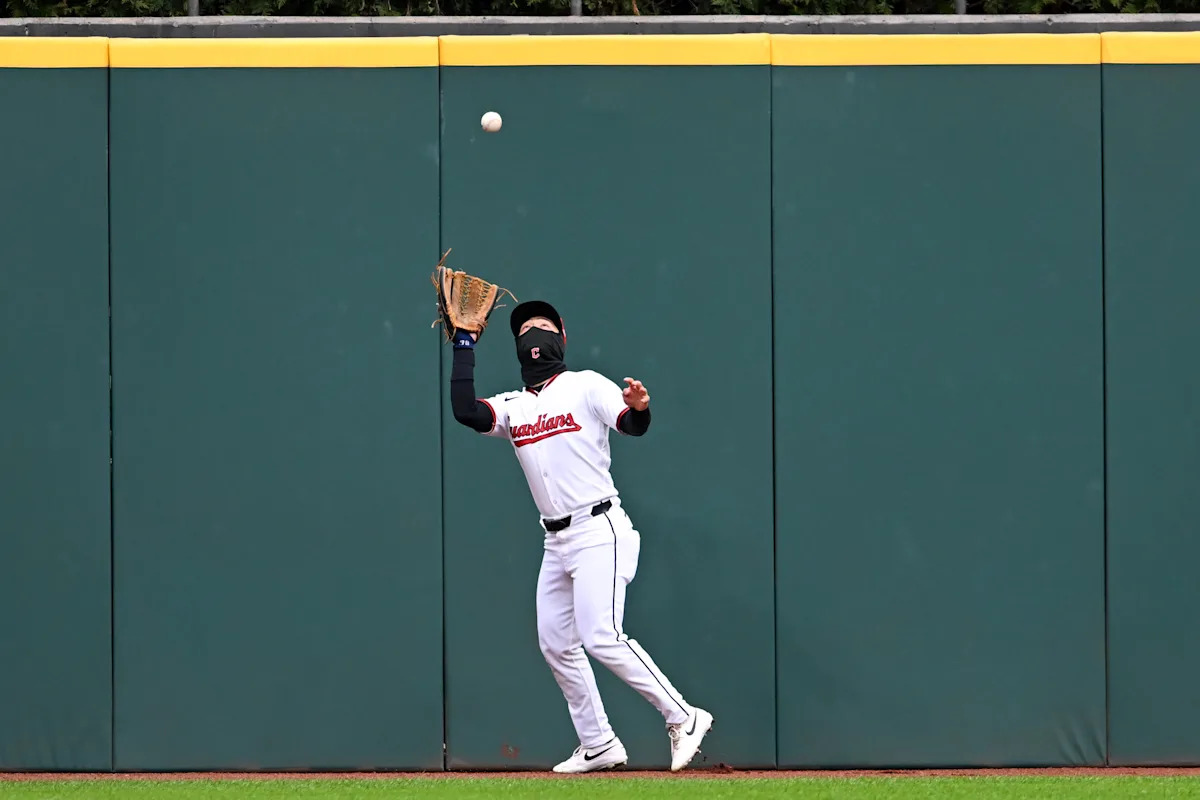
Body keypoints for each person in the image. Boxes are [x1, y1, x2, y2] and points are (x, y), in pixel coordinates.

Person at [447, 299, 713, 773]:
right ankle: (599, 743)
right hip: (556, 542)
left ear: (561, 337)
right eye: (525, 328)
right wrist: (464, 346)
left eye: (543, 325)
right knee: (556, 643)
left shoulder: (586, 384)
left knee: (601, 635)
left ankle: (684, 716)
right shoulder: (512, 406)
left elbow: (630, 423)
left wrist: (640, 408)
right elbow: (467, 411)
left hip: (599, 528)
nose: (534, 332)